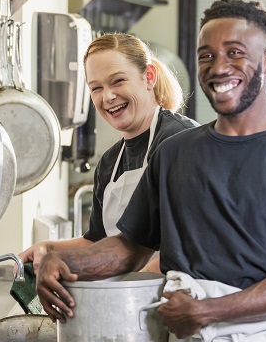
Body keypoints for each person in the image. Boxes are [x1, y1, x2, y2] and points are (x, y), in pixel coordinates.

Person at [36, 0, 266, 342]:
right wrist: (62, 262)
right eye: (206, 56)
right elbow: (128, 249)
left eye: (235, 53)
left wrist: (209, 311)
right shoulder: (175, 154)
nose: (219, 67)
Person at [18, 33, 198, 270]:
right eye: (96, 88)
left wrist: (131, 290)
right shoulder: (110, 162)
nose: (108, 97)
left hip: (177, 297)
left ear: (149, 77)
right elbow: (97, 242)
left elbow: (194, 243)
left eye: (118, 81)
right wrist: (49, 249)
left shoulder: (181, 141)